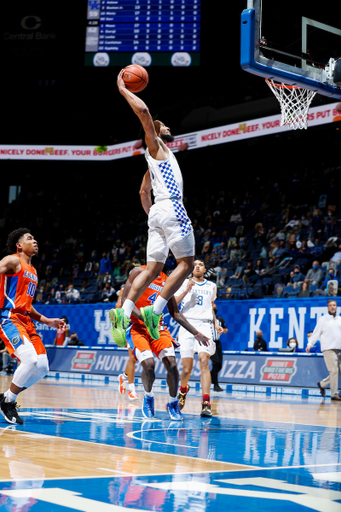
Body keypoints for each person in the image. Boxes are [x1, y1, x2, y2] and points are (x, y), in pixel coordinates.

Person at [111, 69, 196, 346]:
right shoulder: (156, 145)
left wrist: (154, 218)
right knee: (186, 263)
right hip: (171, 207)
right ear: (156, 133)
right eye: (164, 126)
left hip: (159, 212)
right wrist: (124, 89)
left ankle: (122, 313)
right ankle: (154, 311)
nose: (168, 128)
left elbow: (142, 191)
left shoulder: (153, 163)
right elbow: (145, 112)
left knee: (151, 269)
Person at [111, 265, 209, 420]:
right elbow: (125, 302)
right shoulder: (137, 272)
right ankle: (148, 396)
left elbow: (175, 313)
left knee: (172, 364)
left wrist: (196, 332)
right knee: (149, 365)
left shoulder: (168, 280)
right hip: (138, 327)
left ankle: (173, 403)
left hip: (158, 327)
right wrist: (145, 318)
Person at [0, 228, 66, 424]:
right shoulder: (12, 260)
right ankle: (8, 401)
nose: (35, 241)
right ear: (19, 246)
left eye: (35, 238)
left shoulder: (34, 271)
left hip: (26, 321)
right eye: (30, 238)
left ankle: (6, 396)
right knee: (29, 359)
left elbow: (27, 304)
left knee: (42, 367)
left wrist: (46, 320)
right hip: (10, 318)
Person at [175, 260, 222, 417]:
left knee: (204, 360)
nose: (197, 266)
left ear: (204, 269)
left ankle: (206, 402)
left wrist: (215, 323)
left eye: (201, 264)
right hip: (187, 325)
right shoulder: (183, 283)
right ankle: (183, 390)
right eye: (195, 264)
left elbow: (210, 307)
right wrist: (186, 290)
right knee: (187, 369)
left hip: (204, 326)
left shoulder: (211, 286)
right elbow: (174, 304)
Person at [306, 299, 341, 401]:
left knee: (338, 370)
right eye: (330, 305)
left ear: (336, 307)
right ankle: (334, 394)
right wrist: (310, 344)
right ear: (328, 307)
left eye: (334, 305)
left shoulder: (339, 319)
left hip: (338, 349)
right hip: (328, 349)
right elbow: (315, 333)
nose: (333, 307)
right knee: (334, 371)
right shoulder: (323, 319)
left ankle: (322, 384)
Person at [210, 305, 228, 392]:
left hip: (218, 343)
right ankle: (215, 385)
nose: (215, 309)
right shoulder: (207, 319)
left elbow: (226, 329)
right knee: (216, 362)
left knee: (219, 364)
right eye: (213, 308)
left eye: (215, 308)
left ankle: (210, 375)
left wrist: (224, 330)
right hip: (210, 342)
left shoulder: (220, 319)